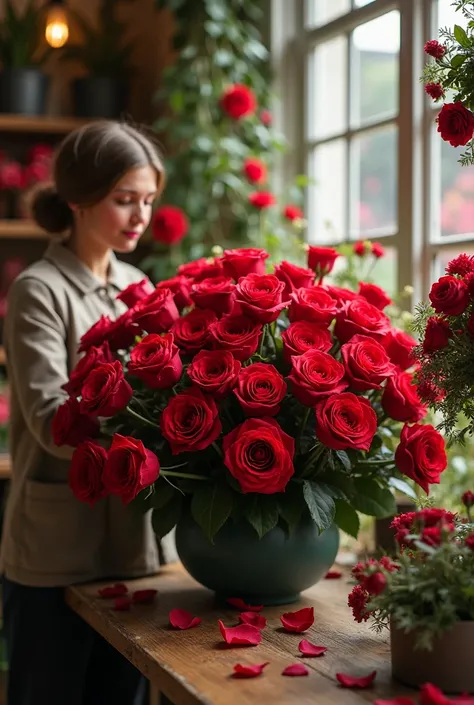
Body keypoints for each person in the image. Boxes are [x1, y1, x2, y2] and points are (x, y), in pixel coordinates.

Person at [0, 120, 166, 705]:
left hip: (133, 548)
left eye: (147, 200)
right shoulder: (39, 290)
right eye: (124, 200)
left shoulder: (140, 285)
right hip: (56, 553)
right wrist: (154, 429)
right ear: (78, 197)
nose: (140, 216)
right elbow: (50, 419)